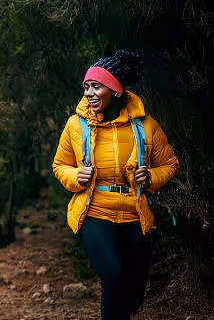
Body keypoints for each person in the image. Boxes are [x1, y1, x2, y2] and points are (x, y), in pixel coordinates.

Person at [53, 50, 178, 320]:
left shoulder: (146, 127)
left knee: (134, 292)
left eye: (96, 86)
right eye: (86, 86)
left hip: (135, 214)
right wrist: (76, 177)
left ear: (116, 90)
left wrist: (151, 177)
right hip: (94, 211)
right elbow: (59, 165)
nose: (88, 92)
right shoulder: (76, 125)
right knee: (114, 275)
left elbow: (169, 163)